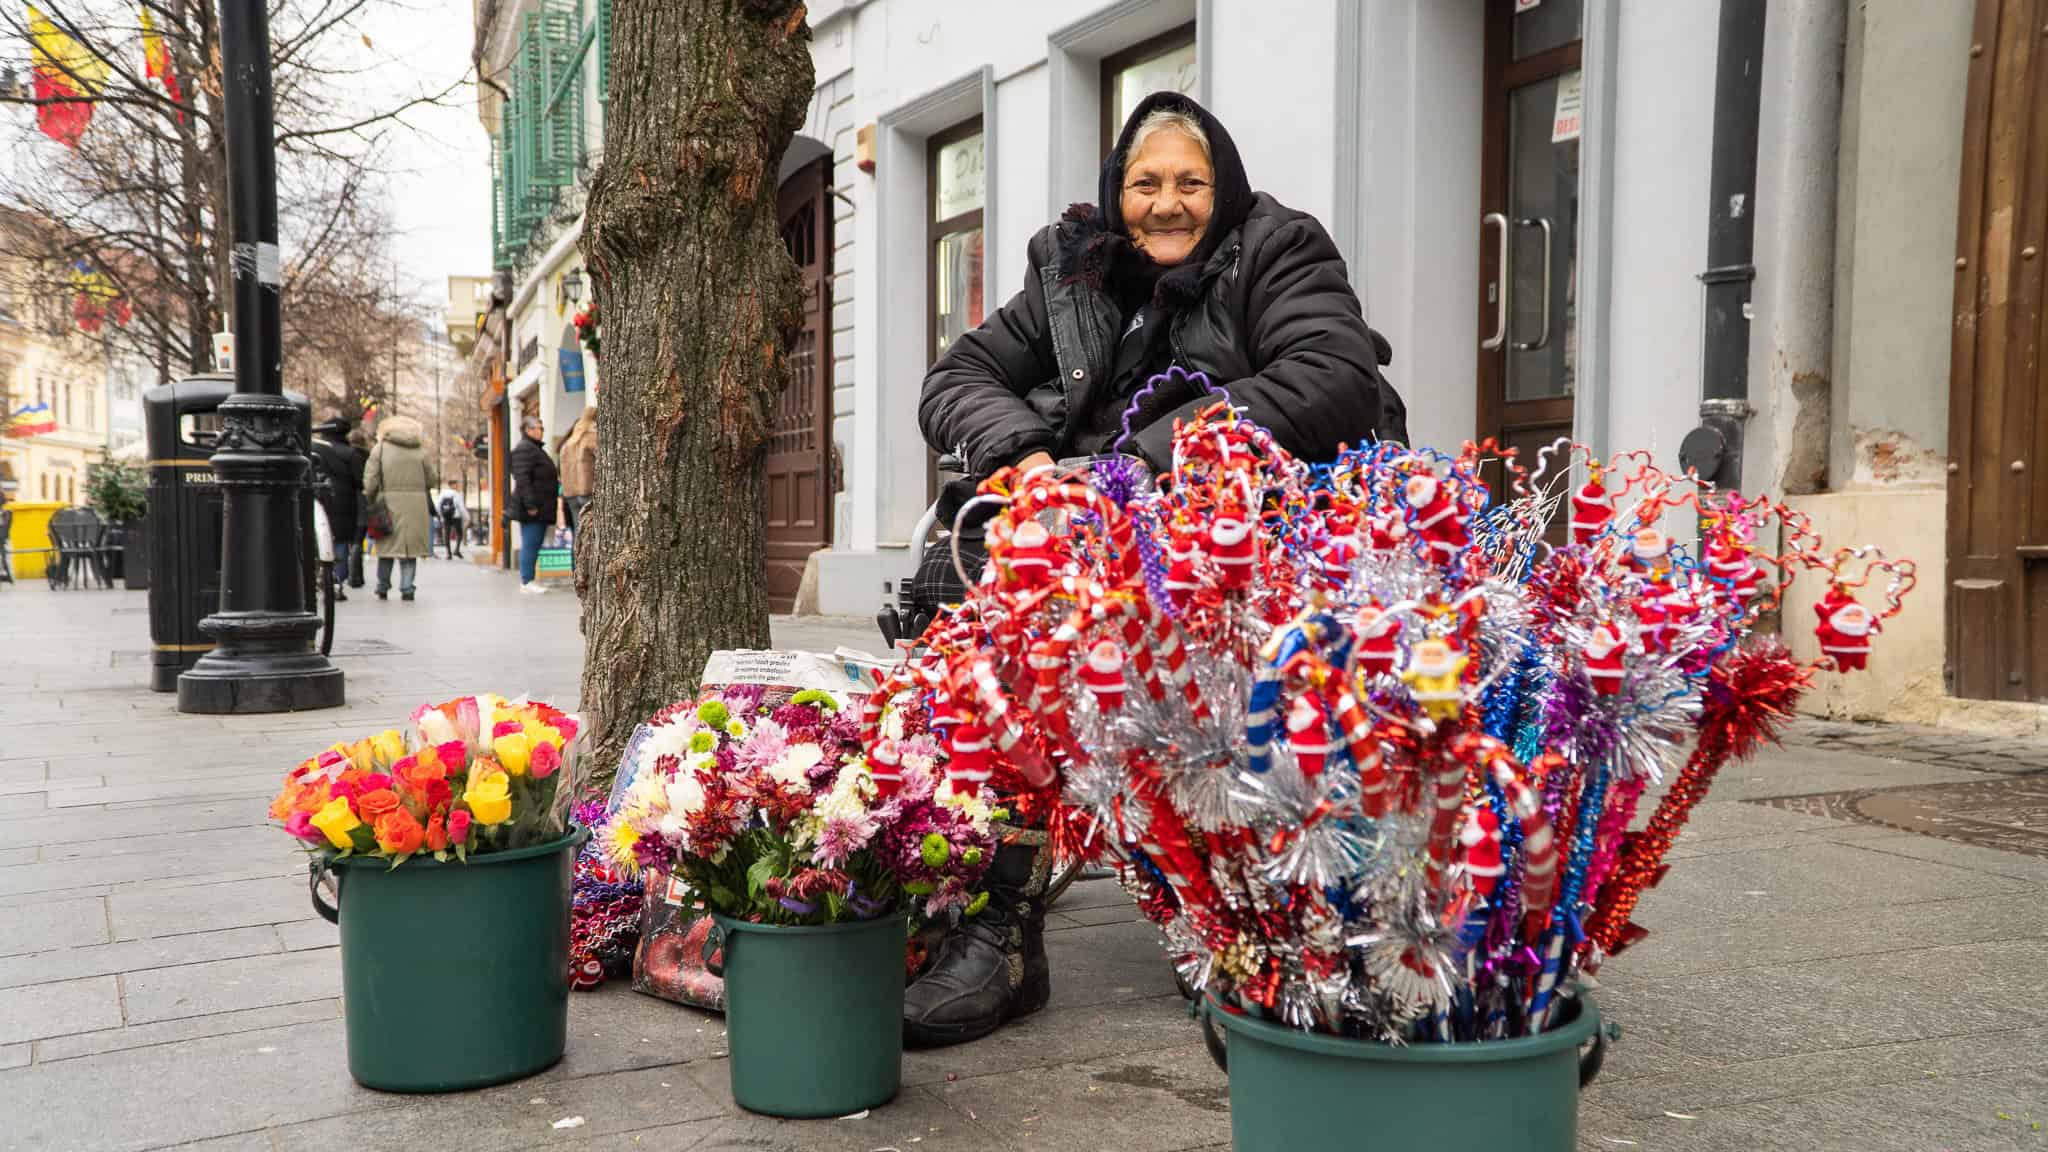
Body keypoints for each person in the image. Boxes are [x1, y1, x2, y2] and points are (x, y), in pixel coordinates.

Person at [905, 92, 1406, 1049]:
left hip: (1250, 529)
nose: (1166, 204)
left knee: (1059, 582)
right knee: (999, 593)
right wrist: (1025, 456)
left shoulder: (1277, 249)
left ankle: (1268, 925)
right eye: (1145, 183)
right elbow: (956, 376)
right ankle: (1000, 920)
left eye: (1189, 182)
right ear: (1116, 192)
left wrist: (1146, 464)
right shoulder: (1075, 270)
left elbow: (1331, 376)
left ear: (1224, 188)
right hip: (1094, 531)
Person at [364, 414, 437, 601]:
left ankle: (382, 586)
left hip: (386, 501)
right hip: (415, 505)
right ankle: (407, 587)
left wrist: (370, 496)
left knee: (386, 546)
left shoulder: (379, 449)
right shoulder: (421, 451)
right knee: (409, 549)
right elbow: (431, 479)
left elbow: (370, 479)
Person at [309, 417, 364, 601]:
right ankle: (337, 583)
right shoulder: (350, 454)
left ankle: (318, 577)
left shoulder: (313, 449)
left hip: (317, 498)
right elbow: (359, 482)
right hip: (344, 502)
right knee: (340, 542)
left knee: (317, 539)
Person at [509, 413, 560, 594]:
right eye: (538, 428)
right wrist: (531, 505)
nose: (541, 432)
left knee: (534, 543)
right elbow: (522, 479)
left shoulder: (534, 448)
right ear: (528, 430)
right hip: (534, 507)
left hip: (541, 504)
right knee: (531, 542)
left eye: (542, 428)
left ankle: (529, 579)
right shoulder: (526, 449)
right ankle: (526, 580)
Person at [558, 406, 596, 536]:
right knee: (592, 534)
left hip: (571, 494)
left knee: (579, 534)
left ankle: (578, 557)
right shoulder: (590, 437)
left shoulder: (568, 442)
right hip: (587, 491)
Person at [344, 426, 373, 589]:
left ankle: (348, 573)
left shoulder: (346, 455)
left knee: (347, 539)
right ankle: (357, 575)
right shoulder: (368, 456)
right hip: (363, 499)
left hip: (347, 500)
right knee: (358, 539)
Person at [437, 481, 466, 560]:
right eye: (456, 484)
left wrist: (441, 515)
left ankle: (448, 553)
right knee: (459, 533)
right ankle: (456, 549)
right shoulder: (457, 494)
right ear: (452, 485)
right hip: (456, 516)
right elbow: (461, 507)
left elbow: (438, 505)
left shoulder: (443, 493)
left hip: (446, 517)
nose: (457, 486)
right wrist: (466, 517)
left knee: (446, 534)